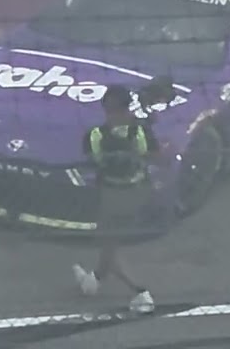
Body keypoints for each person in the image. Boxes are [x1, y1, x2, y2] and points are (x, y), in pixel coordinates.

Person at [72, 84, 163, 314]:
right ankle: (93, 282)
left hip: (114, 197)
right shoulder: (142, 130)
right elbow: (158, 157)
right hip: (137, 194)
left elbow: (91, 162)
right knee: (109, 245)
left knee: (109, 247)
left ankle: (141, 293)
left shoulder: (95, 135)